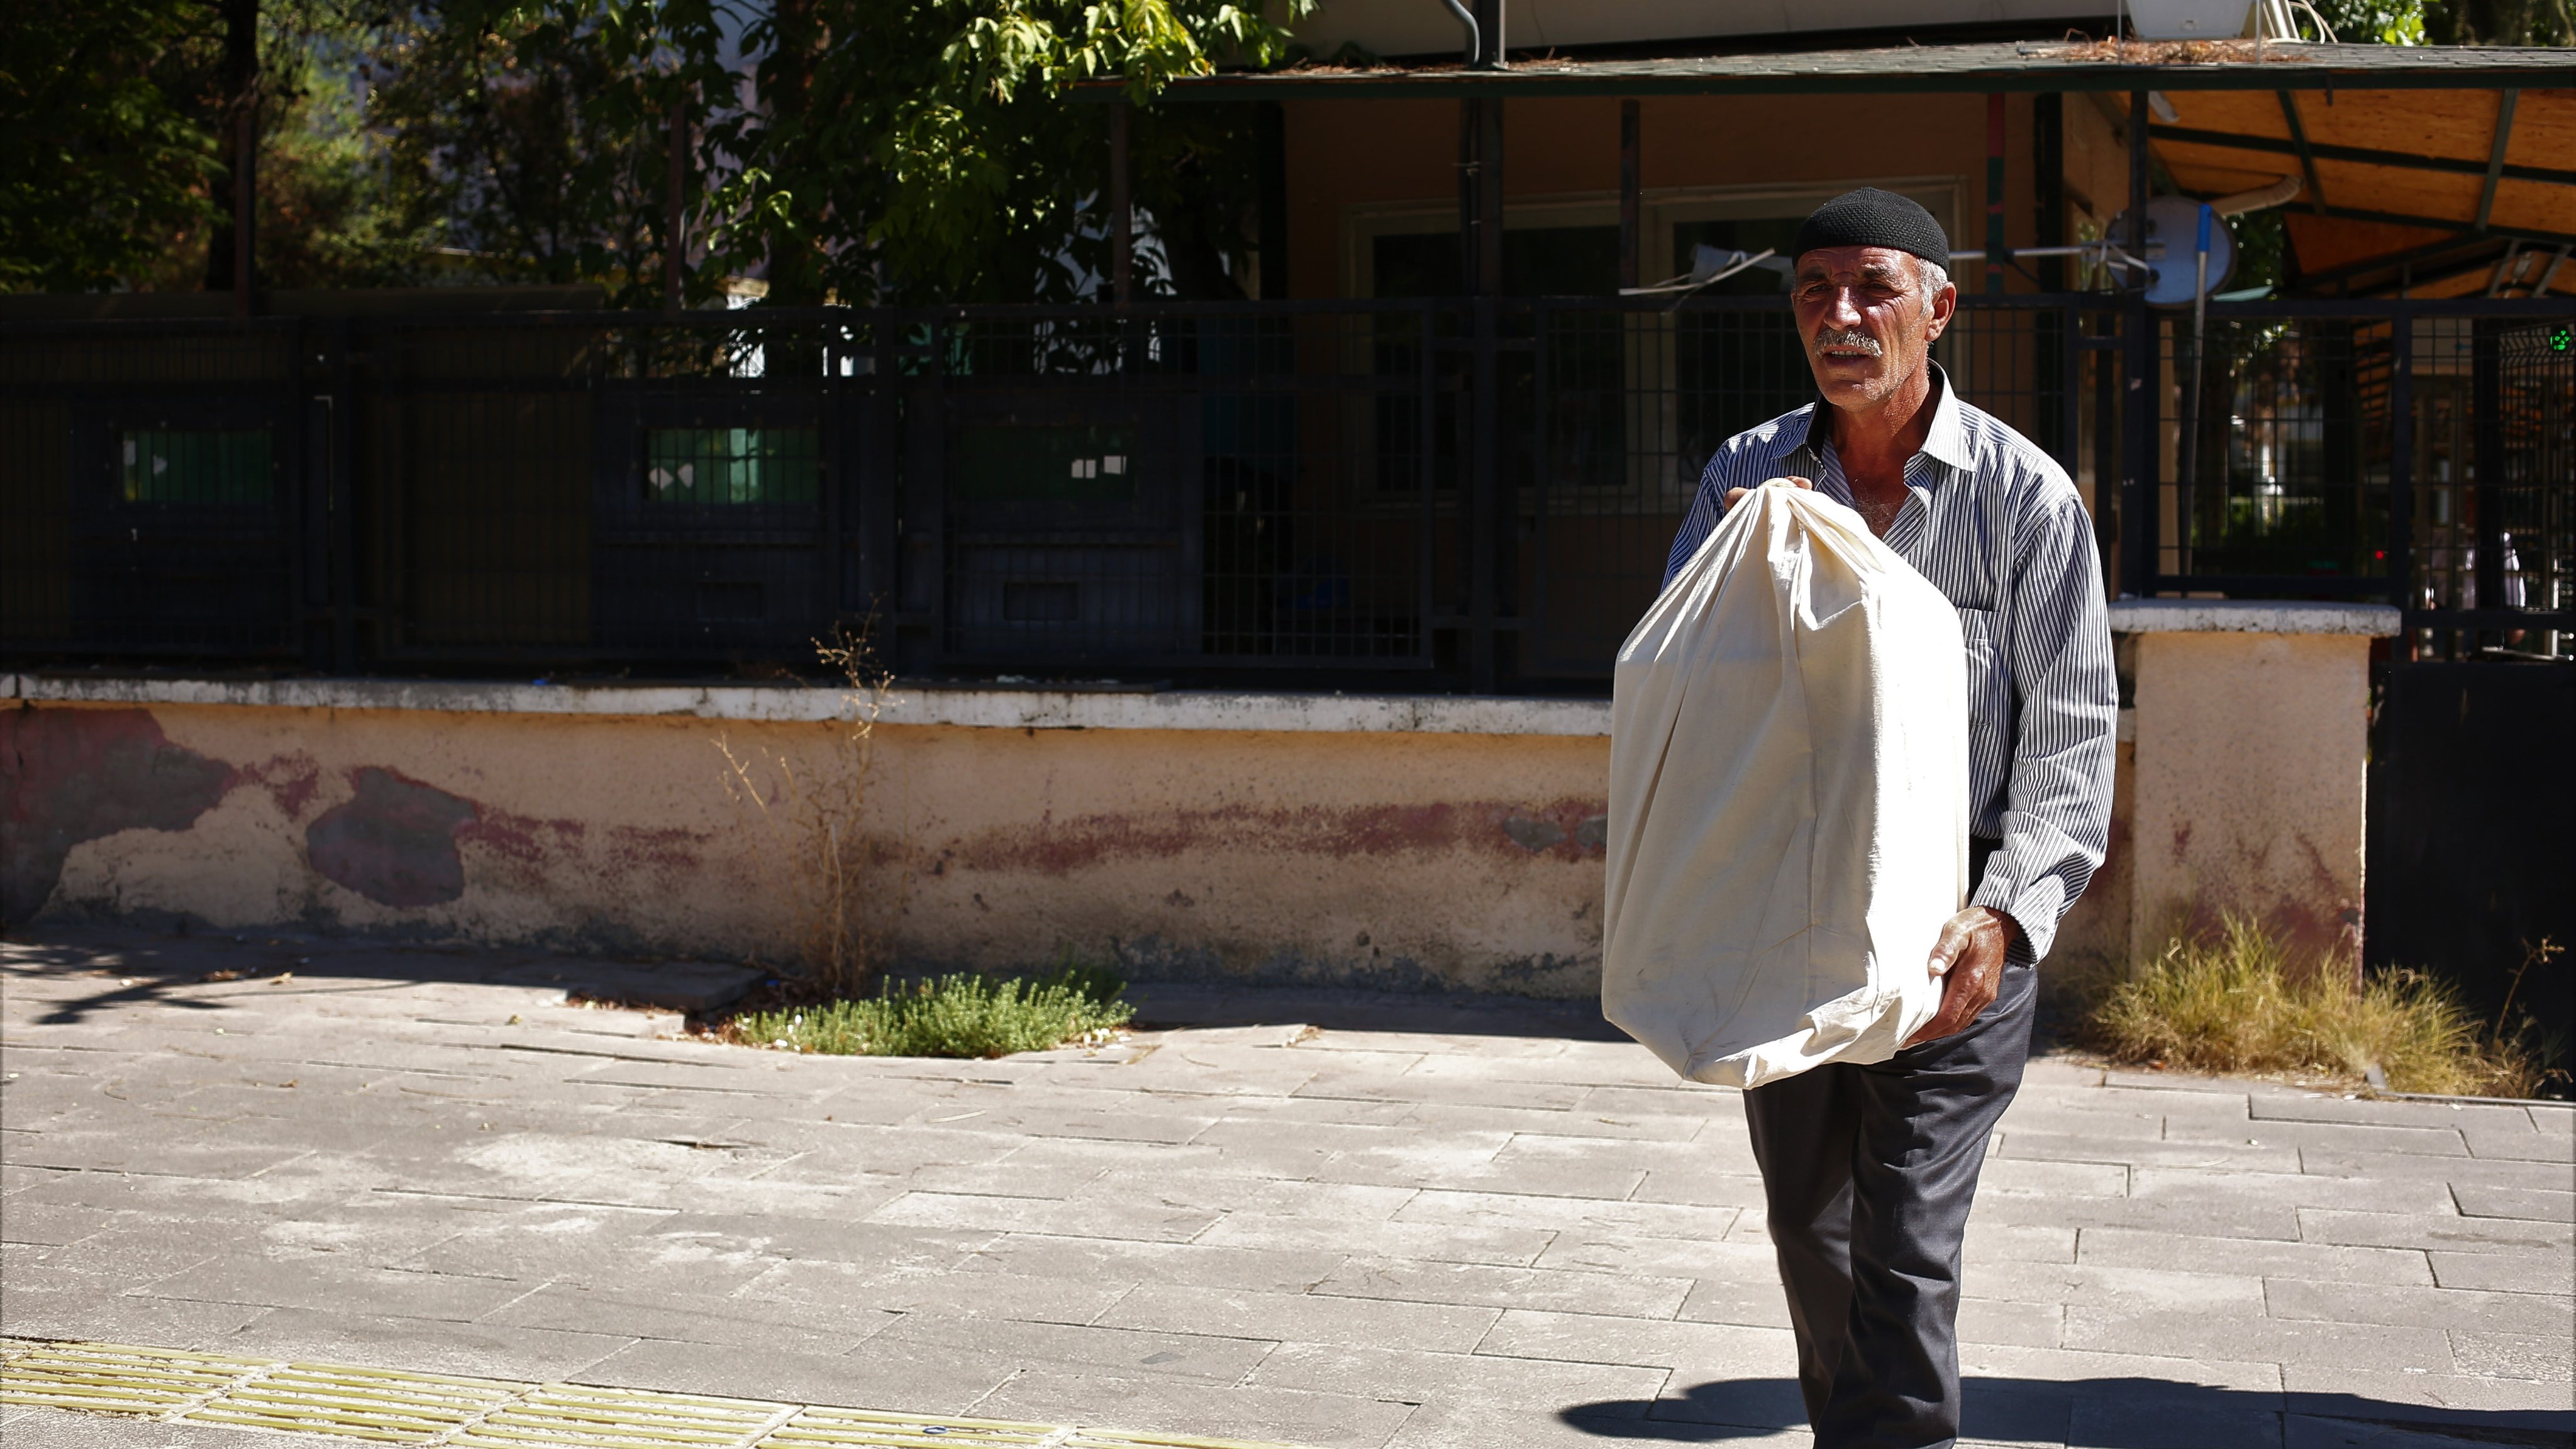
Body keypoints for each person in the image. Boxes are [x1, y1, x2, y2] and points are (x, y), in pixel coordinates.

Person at [1659, 188, 2118, 1446]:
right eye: (1814, 293)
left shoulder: (2025, 503)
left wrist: (2003, 919)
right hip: (1789, 907)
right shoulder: (1745, 480)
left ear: (1938, 309)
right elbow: (1682, 678)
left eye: (1871, 289)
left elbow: (2070, 737)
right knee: (1810, 1221)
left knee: (1905, 1234)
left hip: (1952, 923)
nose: (1840, 317)